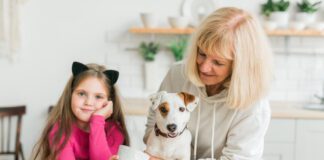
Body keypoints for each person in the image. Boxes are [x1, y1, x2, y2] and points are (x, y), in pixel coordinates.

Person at [144, 7, 273, 160]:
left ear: (240, 66)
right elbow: (153, 125)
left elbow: (238, 157)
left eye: (218, 62)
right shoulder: (178, 74)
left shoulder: (254, 105)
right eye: (202, 53)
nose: (204, 67)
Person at [32, 61, 129, 160]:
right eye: (81, 94)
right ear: (70, 95)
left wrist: (97, 121)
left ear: (109, 102)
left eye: (98, 96)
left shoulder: (114, 131)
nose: (89, 102)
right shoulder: (60, 130)